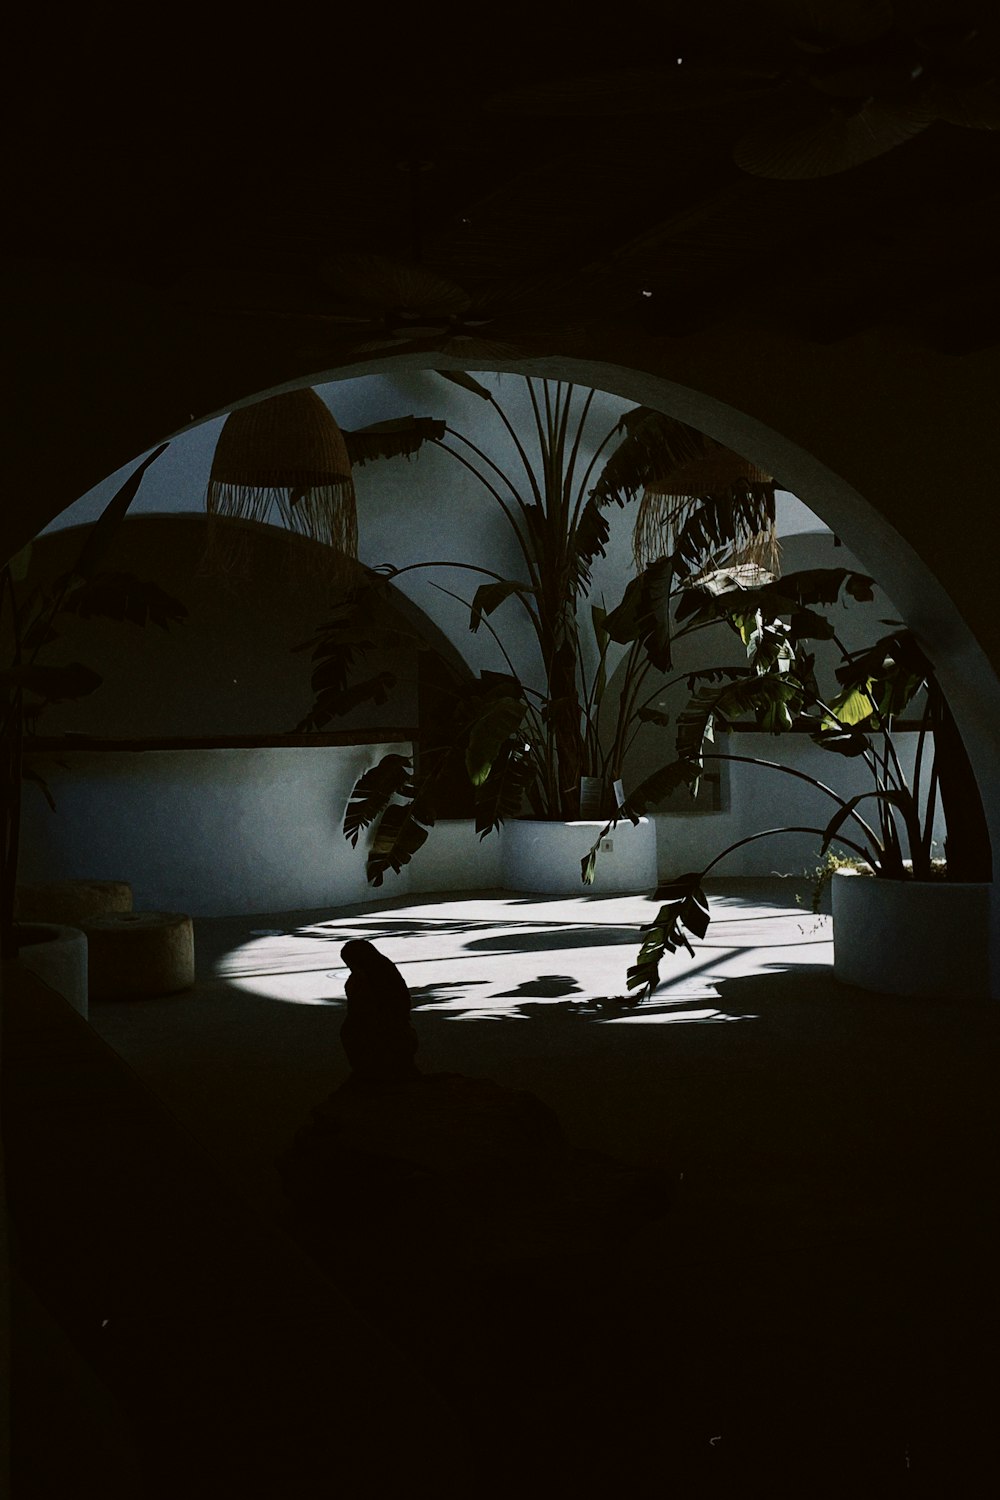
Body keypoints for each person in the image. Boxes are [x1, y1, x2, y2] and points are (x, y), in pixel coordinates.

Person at [339, 939, 420, 1085]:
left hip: (386, 1036)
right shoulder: (383, 973)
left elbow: (364, 1013)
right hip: (395, 1035)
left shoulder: (368, 981)